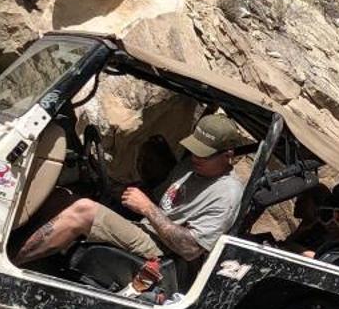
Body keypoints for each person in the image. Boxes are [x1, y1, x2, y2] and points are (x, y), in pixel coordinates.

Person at [14, 111, 253, 282]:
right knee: (64, 197)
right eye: (194, 150)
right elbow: (163, 200)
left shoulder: (227, 193)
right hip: (147, 228)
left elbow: (190, 249)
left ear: (228, 155)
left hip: (165, 249)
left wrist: (147, 207)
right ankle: (16, 249)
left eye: (205, 154)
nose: (196, 157)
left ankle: (11, 265)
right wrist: (122, 191)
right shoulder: (191, 168)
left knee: (83, 210)